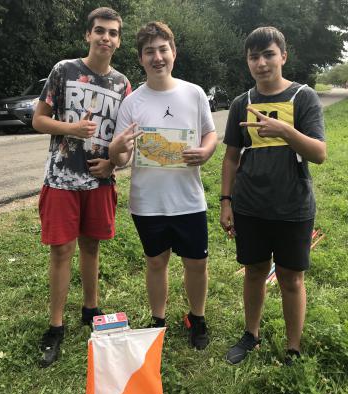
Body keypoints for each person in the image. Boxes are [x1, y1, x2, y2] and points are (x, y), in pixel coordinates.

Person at [220, 26, 326, 365]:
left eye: (268, 54)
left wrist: (284, 130)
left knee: (291, 279)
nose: (261, 63)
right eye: (254, 57)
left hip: (293, 206)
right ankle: (251, 335)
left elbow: (319, 153)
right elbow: (231, 158)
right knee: (254, 272)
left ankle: (293, 348)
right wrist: (226, 202)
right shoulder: (242, 103)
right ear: (248, 62)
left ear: (284, 56)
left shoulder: (303, 97)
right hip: (249, 206)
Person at [32, 7, 132, 368]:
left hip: (100, 180)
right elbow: (38, 120)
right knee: (61, 251)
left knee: (91, 246)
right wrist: (71, 129)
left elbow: (124, 140)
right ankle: (55, 326)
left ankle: (91, 309)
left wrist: (113, 164)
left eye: (113, 33)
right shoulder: (64, 70)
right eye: (100, 31)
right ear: (88, 35)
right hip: (61, 177)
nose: (106, 37)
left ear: (118, 41)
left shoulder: (123, 85)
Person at [109, 22, 217, 350]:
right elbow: (120, 157)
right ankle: (158, 320)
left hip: (189, 199)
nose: (157, 57)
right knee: (156, 262)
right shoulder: (132, 103)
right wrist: (117, 149)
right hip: (147, 202)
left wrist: (206, 150)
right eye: (149, 52)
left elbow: (210, 133)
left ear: (173, 52)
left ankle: (197, 317)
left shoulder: (194, 93)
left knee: (196, 263)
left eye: (162, 49)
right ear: (141, 58)